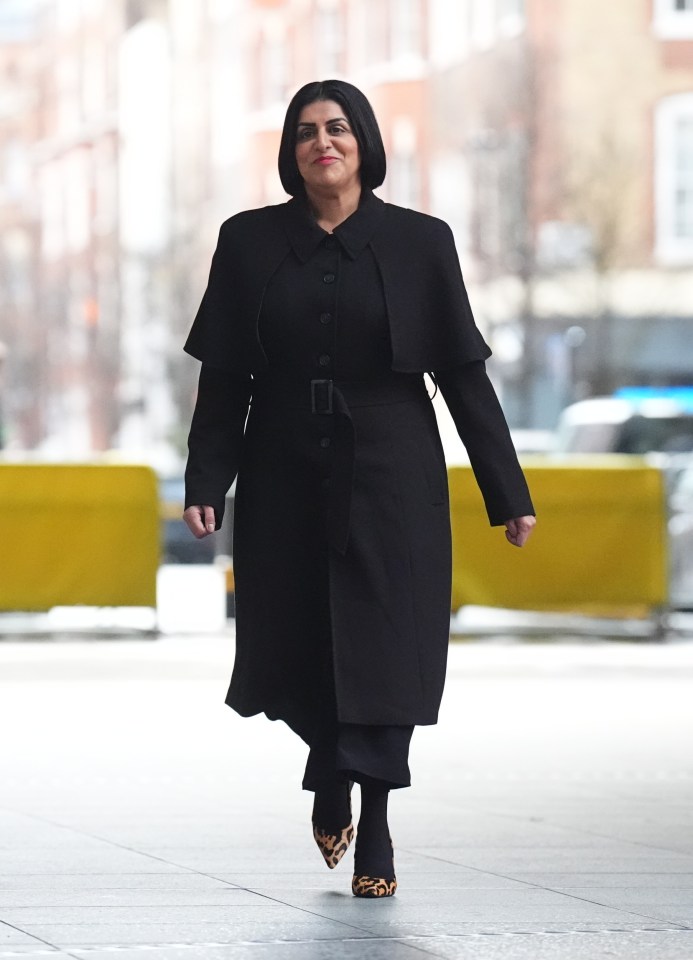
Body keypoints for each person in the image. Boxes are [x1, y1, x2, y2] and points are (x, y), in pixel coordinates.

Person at [182, 79, 535, 899]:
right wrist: (208, 478)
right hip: (279, 471)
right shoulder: (246, 242)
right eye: (305, 131)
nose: (322, 143)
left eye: (337, 128)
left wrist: (506, 491)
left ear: (365, 143)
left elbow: (462, 376)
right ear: (290, 151)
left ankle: (374, 819)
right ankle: (328, 767)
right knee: (297, 635)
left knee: (387, 646)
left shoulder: (422, 242)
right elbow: (223, 377)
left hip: (391, 473)